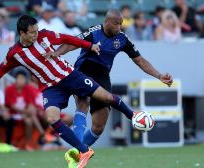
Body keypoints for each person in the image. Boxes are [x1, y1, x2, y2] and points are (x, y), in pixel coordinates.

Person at [0, 15, 172, 168]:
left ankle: (133, 115)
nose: (36, 34)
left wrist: (86, 46)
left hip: (70, 75)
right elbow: (1, 69)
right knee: (52, 118)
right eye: (32, 32)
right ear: (22, 33)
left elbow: (67, 39)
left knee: (105, 100)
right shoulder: (15, 53)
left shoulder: (45, 35)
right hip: (51, 87)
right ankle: (83, 151)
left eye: (37, 31)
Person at [49, 9, 173, 160]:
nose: (119, 27)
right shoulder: (93, 32)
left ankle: (77, 152)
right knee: (83, 103)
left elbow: (140, 60)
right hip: (84, 70)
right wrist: (56, 53)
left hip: (102, 75)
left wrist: (159, 75)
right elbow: (72, 44)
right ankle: (79, 150)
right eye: (116, 24)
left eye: (121, 24)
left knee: (98, 126)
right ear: (106, 22)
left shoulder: (122, 39)